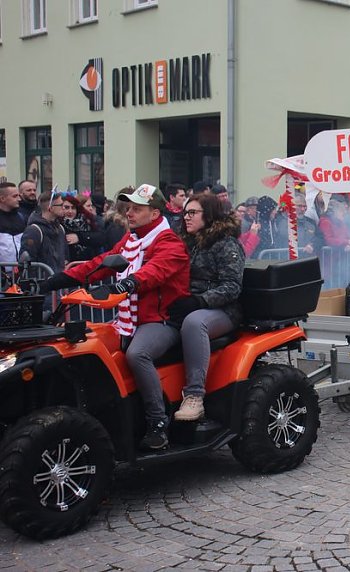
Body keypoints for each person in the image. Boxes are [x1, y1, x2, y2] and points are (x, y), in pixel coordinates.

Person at [40, 185, 190, 448]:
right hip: (128, 319)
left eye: (136, 208)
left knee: (137, 354)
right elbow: (104, 261)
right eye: (128, 208)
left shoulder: (169, 242)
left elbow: (156, 271)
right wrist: (57, 280)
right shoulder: (131, 239)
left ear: (154, 213)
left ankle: (158, 422)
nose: (129, 213)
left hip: (160, 320)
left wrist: (127, 283)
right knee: (86, 342)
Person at [169, 193, 244, 421]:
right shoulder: (185, 241)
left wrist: (199, 301)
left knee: (194, 324)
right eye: (184, 213)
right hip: (190, 304)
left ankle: (194, 396)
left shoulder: (226, 244)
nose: (186, 218)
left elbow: (232, 286)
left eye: (192, 213)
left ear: (209, 215)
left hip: (223, 310)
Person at [19, 190, 67, 275]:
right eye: (61, 205)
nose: (64, 208)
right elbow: (27, 260)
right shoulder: (34, 230)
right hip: (41, 283)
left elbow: (65, 256)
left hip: (58, 283)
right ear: (50, 208)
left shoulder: (60, 228)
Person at [60, 193, 104, 262]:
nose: (70, 211)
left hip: (87, 263)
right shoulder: (58, 224)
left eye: (73, 208)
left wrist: (79, 237)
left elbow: (100, 237)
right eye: (66, 207)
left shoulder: (88, 221)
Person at [0, 182, 26, 263]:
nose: (19, 199)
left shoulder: (21, 218)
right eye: (15, 196)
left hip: (21, 272)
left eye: (19, 195)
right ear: (2, 198)